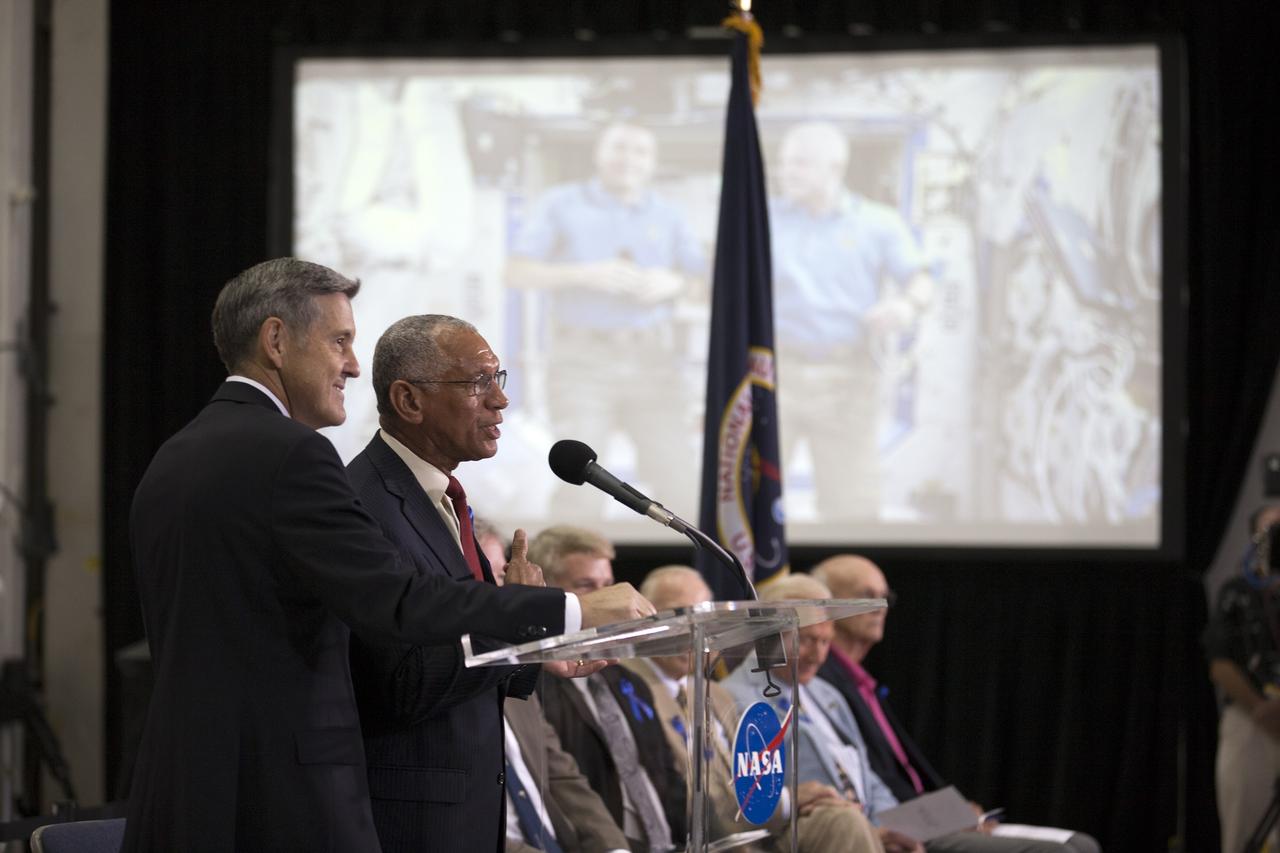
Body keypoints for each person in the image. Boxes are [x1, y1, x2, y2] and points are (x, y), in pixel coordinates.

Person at [123, 260, 653, 852]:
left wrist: (530, 643)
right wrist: (563, 611)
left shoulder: (173, 457)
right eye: (340, 341)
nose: (352, 364)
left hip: (186, 791)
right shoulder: (293, 455)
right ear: (276, 341)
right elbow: (394, 600)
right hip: (279, 802)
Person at [344, 315, 618, 852]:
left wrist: (534, 646)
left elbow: (478, 667)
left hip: (471, 810)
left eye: (500, 378)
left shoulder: (445, 499)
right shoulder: (365, 505)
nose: (500, 401)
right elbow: (400, 684)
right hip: (412, 823)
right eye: (477, 383)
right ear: (408, 400)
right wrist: (521, 613)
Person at [810, 556, 1100, 853]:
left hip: (927, 818)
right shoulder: (818, 679)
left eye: (885, 596)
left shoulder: (860, 681)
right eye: (866, 595)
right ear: (827, 604)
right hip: (903, 828)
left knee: (1083, 844)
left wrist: (953, 811)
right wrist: (942, 818)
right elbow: (864, 777)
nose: (880, 606)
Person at [507, 121, 707, 518]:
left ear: (652, 163)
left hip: (654, 363)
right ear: (599, 154)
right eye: (619, 148)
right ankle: (573, 578)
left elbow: (703, 284)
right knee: (580, 488)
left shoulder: (669, 215)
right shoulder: (560, 205)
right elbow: (515, 271)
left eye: (639, 152)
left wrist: (675, 284)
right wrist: (583, 274)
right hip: (583, 362)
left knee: (681, 481)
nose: (628, 160)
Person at [625, 566, 881, 853]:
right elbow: (682, 800)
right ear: (645, 619)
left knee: (842, 819)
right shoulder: (631, 692)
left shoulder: (716, 695)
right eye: (679, 614)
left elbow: (755, 778)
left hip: (759, 833)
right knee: (845, 822)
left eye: (702, 619)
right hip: (706, 839)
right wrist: (788, 800)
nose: (692, 630)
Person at [770, 121, 933, 520]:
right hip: (772, 376)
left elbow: (920, 279)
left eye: (802, 163)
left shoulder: (878, 223)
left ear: (835, 168)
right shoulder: (763, 218)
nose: (788, 171)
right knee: (752, 500)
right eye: (785, 162)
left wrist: (906, 306)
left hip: (848, 378)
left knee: (850, 504)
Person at [529, 526, 688, 851]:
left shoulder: (628, 680)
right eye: (587, 586)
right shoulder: (530, 687)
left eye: (608, 586)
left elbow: (669, 779)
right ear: (547, 592)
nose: (608, 602)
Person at [1206, 505, 1280, 853]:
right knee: (1244, 830)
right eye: (1273, 530)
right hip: (1251, 720)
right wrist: (1263, 709)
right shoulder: (1237, 593)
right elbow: (1220, 664)